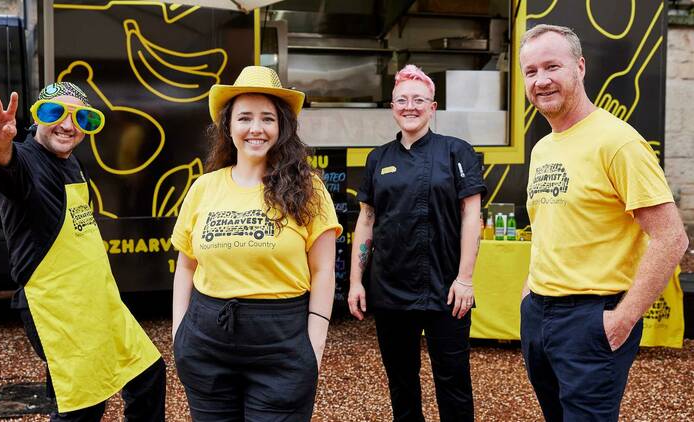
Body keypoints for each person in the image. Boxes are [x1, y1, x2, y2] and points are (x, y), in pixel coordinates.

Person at [518, 24, 689, 421]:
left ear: (579, 67)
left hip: (592, 319)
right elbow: (550, 227)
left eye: (552, 67)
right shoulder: (544, 147)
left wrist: (622, 319)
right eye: (531, 72)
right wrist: (531, 290)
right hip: (539, 316)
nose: (541, 81)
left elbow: (671, 238)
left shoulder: (619, 142)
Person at [0, 83, 165, 421]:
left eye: (80, 118)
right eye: (55, 113)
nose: (68, 125)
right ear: (36, 119)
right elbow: (2, 166)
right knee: (83, 404)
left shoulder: (68, 160)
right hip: (58, 307)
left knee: (148, 373)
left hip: (99, 301)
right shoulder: (26, 160)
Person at [170, 66, 341, 422]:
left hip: (281, 343)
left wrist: (315, 347)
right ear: (228, 127)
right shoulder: (205, 188)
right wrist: (178, 337)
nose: (255, 128)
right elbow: (186, 265)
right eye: (244, 117)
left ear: (281, 128)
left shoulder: (309, 190)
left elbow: (324, 271)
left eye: (267, 118)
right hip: (205, 343)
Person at [347, 64, 486, 422]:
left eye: (419, 99)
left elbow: (473, 217)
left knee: (453, 381)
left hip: (446, 290)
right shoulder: (378, 159)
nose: (410, 106)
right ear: (392, 107)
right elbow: (366, 220)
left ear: (433, 107)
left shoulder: (458, 152)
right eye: (402, 100)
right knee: (401, 383)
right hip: (391, 289)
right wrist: (355, 283)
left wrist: (465, 279)